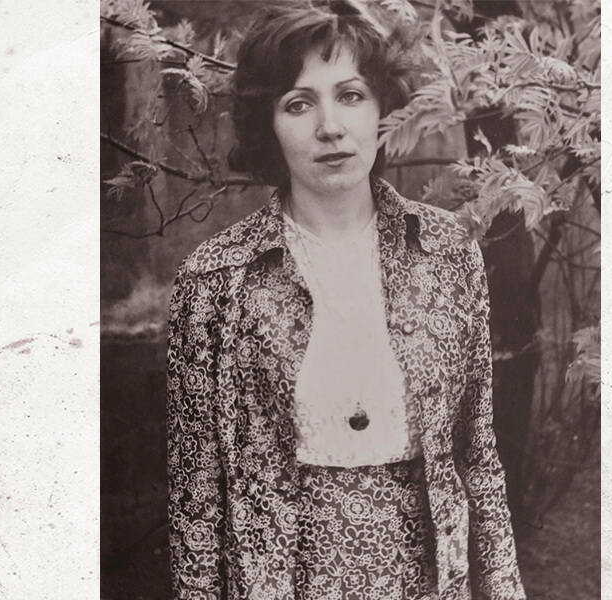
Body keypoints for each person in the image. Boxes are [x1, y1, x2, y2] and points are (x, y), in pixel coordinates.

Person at [166, 1, 526, 599]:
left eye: (351, 95)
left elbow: (479, 456)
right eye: (298, 104)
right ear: (268, 124)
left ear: (383, 110)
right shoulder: (214, 282)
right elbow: (195, 503)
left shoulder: (448, 253)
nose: (330, 127)